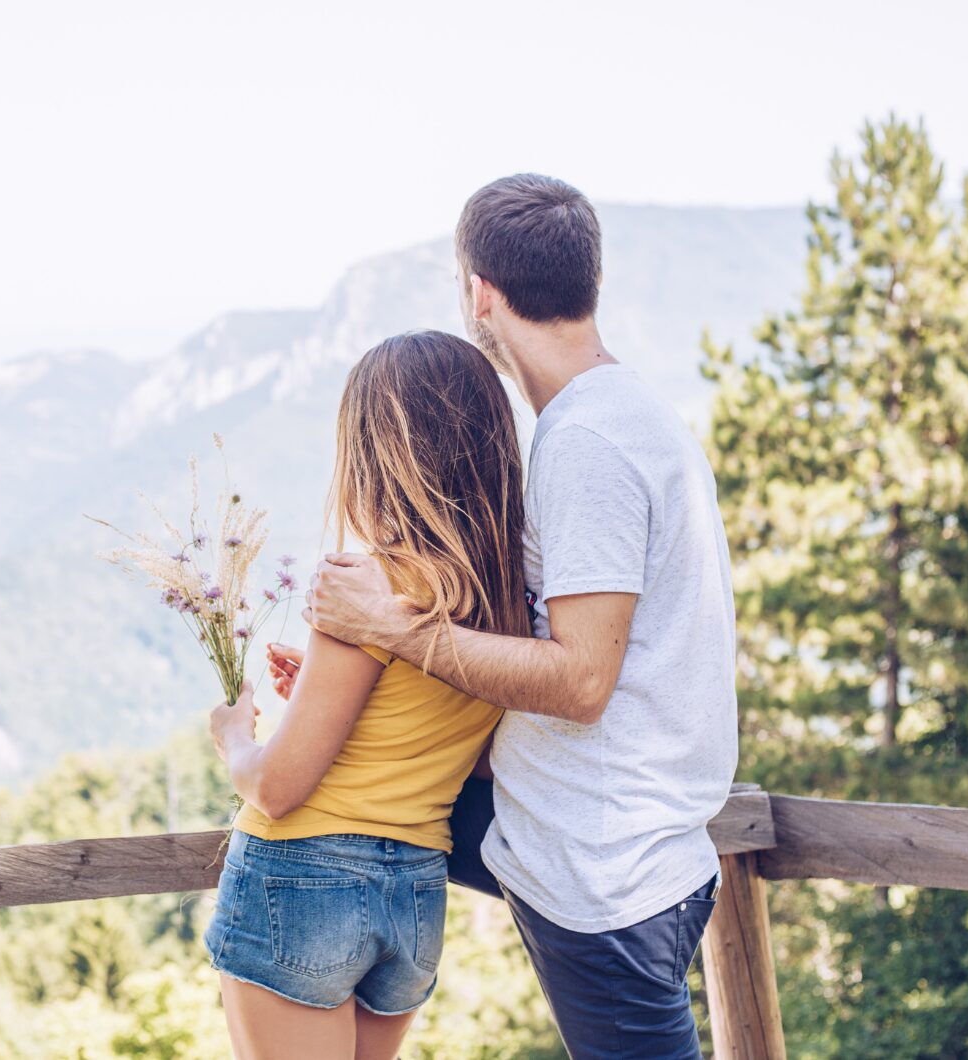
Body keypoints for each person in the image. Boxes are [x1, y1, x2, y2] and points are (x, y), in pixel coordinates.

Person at [269, 174, 739, 1058]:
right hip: (627, 845)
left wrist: (387, 628)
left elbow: (583, 680)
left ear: (479, 293)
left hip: (602, 869)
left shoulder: (587, 446)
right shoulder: (623, 416)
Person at [206, 329, 531, 1060]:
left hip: (302, 879)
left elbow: (279, 786)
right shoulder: (505, 601)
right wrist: (327, 689)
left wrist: (233, 735)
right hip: (414, 893)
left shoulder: (366, 587)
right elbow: (448, 741)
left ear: (374, 450)